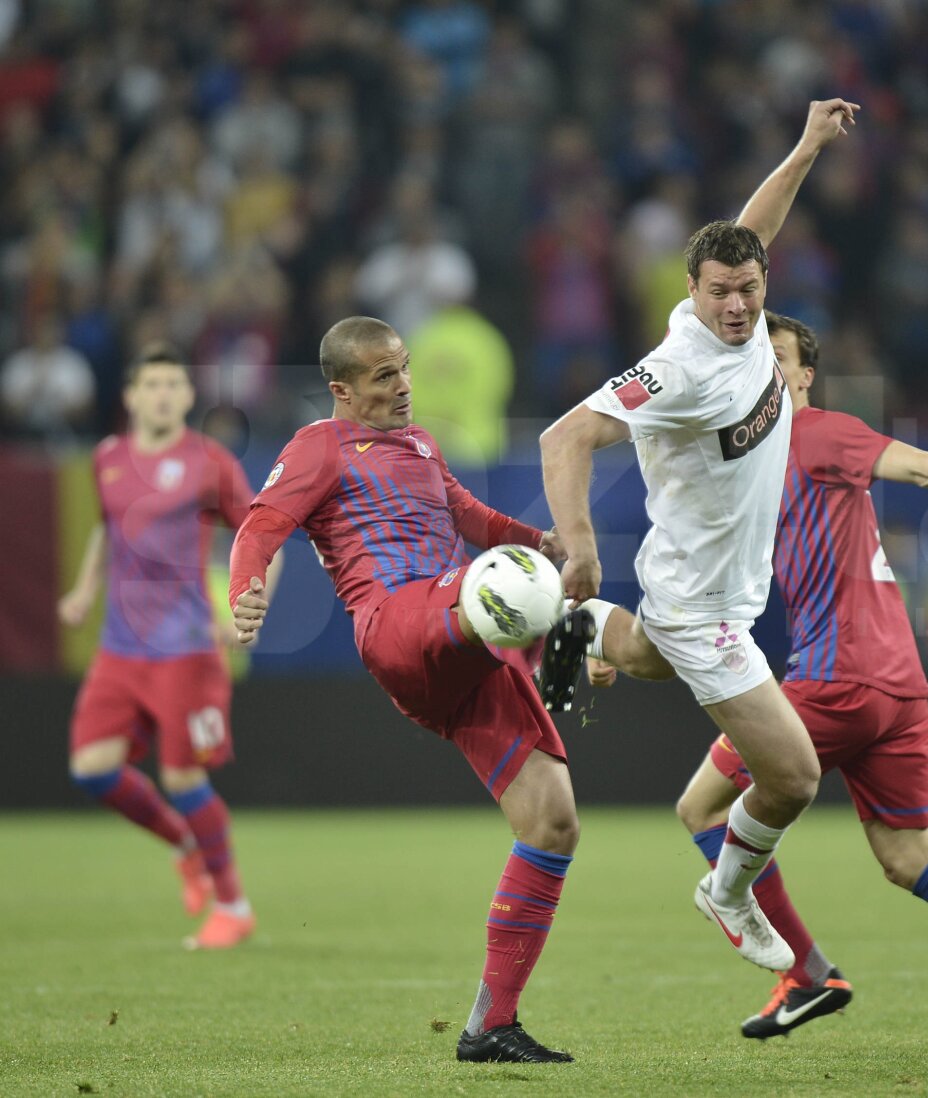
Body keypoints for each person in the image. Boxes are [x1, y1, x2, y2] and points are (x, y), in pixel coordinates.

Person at [612, 311, 928, 1047]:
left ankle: (805, 973)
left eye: (777, 356)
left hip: (838, 678)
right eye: (749, 354)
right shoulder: (746, 461)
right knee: (907, 857)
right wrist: (623, 644)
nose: (761, 368)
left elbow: (926, 467)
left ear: (805, 376)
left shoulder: (814, 433)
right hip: (898, 686)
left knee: (703, 809)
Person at [538, 98, 860, 974]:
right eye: (718, 291)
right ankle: (725, 891)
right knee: (792, 778)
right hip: (702, 605)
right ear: (690, 293)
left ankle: (564, 622)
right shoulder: (676, 367)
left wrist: (803, 148)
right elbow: (562, 438)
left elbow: (754, 230)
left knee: (640, 654)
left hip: (713, 585)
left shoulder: (748, 305)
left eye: (750, 289)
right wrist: (579, 546)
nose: (737, 305)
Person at [228, 315, 578, 1065]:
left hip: (456, 643)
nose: (405, 386)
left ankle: (491, 1026)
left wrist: (539, 540)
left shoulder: (421, 445)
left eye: (406, 368)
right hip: (398, 622)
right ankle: (574, 644)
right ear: (342, 390)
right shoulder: (318, 446)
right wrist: (247, 589)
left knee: (552, 820)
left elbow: (467, 515)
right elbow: (260, 526)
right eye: (384, 376)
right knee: (512, 593)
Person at [59, 342, 277, 950]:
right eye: (149, 384)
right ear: (129, 396)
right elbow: (108, 530)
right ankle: (186, 846)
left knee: (183, 778)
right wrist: (82, 590)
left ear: (187, 396)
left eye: (171, 385)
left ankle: (233, 906)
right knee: (91, 769)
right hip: (118, 648)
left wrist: (247, 608)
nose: (161, 394)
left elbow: (262, 534)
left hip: (185, 646)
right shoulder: (106, 458)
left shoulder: (209, 463)